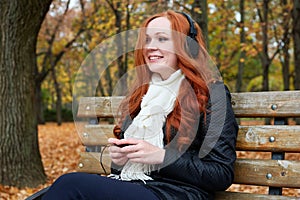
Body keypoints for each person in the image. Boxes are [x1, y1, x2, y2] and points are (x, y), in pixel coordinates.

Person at [42, 10, 238, 200]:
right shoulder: (142, 95)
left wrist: (162, 157)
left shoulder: (212, 94)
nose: (150, 47)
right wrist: (120, 160)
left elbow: (220, 173)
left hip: (178, 193)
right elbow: (125, 172)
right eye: (147, 40)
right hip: (136, 187)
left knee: (71, 185)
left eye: (162, 39)